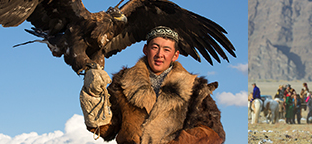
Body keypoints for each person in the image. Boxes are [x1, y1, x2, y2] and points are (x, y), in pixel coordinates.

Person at [80, 26, 224, 143]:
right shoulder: (122, 82)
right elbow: (106, 129)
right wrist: (93, 97)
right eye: (155, 47)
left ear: (175, 55)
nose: (160, 54)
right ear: (145, 49)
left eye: (167, 50)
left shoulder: (194, 88)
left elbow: (213, 133)